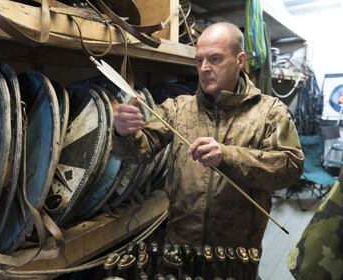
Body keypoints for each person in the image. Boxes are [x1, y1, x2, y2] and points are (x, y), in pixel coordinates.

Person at [112, 22, 304, 255]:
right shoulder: (178, 108)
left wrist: (228, 156)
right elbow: (137, 152)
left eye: (215, 59)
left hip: (235, 253)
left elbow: (290, 168)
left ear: (240, 61)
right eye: (199, 60)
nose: (203, 68)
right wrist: (122, 132)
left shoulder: (269, 111)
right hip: (180, 247)